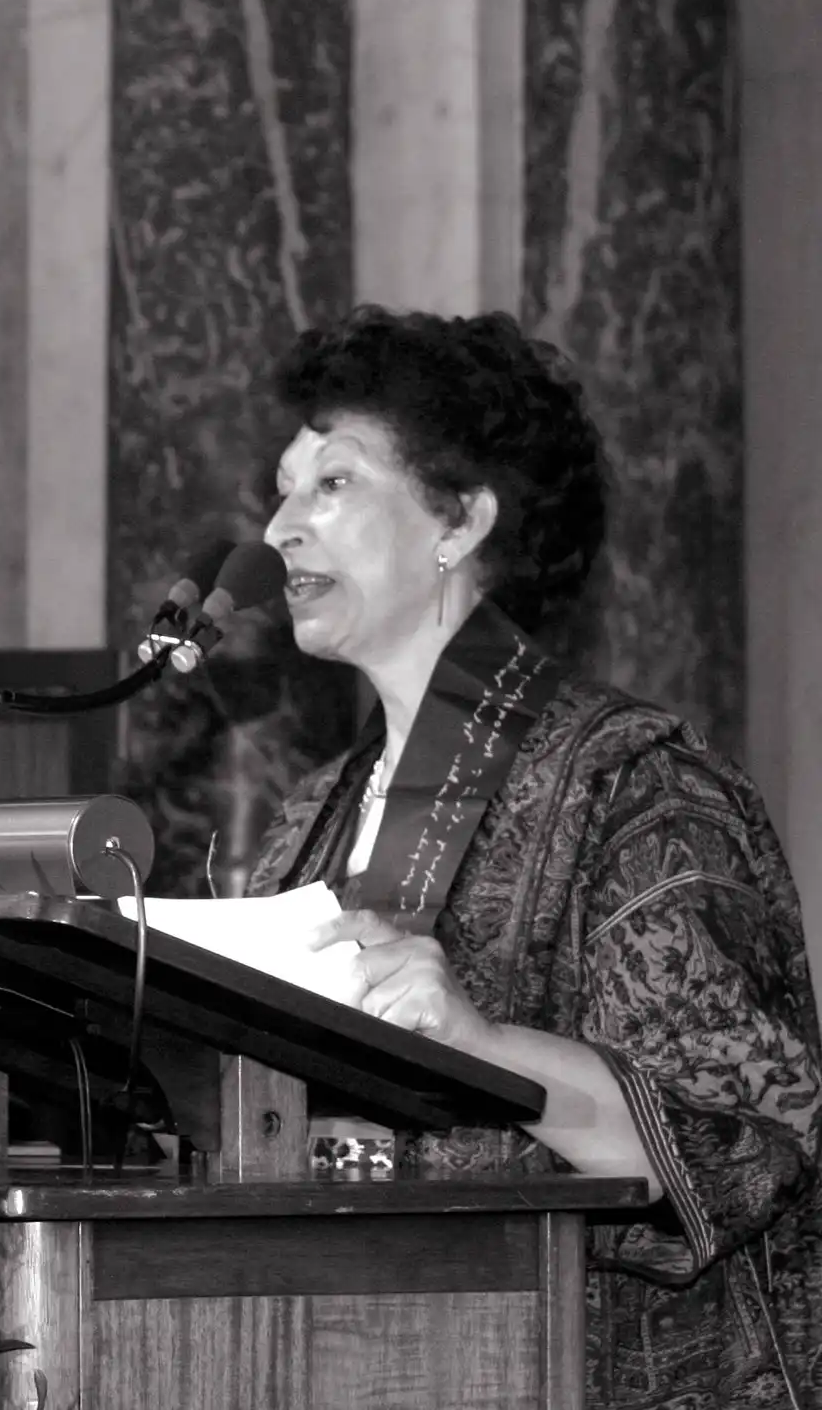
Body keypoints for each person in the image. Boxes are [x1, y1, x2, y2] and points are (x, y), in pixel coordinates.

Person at [248, 306, 819, 1406]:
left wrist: (478, 1044)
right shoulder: (308, 815)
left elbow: (747, 1140)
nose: (278, 527)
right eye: (282, 487)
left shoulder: (637, 785)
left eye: (332, 484)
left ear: (459, 520)